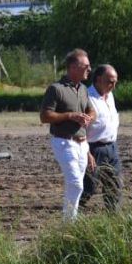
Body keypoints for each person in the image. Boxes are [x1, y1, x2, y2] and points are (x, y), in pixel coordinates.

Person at [40, 49, 96, 219]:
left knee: (77, 186)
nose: (90, 69)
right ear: (73, 67)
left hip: (82, 143)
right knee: (76, 184)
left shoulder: (84, 89)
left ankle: (71, 220)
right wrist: (70, 116)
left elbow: (92, 111)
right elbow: (45, 116)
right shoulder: (56, 89)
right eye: (86, 66)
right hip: (64, 143)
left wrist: (88, 118)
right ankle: (68, 224)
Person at [82, 64, 123, 210]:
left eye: (115, 81)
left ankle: (114, 218)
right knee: (89, 187)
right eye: (110, 81)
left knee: (114, 186)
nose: (114, 85)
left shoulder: (109, 95)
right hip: (93, 150)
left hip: (112, 148)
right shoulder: (86, 97)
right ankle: (73, 214)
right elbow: (80, 128)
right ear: (98, 79)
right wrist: (87, 153)